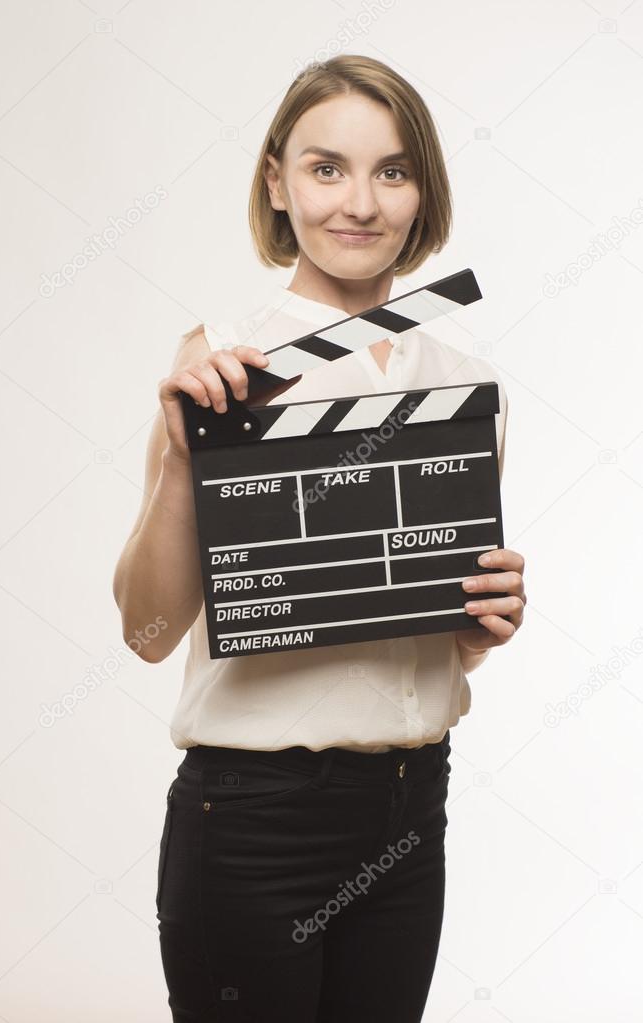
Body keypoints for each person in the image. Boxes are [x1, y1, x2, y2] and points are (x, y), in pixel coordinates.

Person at [113, 54, 527, 1023]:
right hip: (253, 817)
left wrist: (483, 621)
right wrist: (183, 461)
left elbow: (429, 630)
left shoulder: (464, 385)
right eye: (325, 167)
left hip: (409, 807)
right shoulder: (222, 360)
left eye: (392, 170)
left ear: (423, 188)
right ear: (276, 181)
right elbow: (146, 630)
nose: (360, 202)